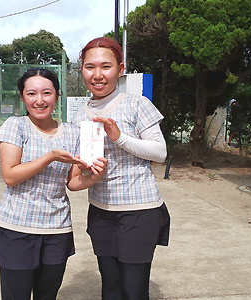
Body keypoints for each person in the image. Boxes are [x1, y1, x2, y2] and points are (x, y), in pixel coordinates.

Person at [0, 68, 107, 300]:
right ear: (23, 97)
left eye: (47, 93)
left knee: (47, 296)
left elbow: (72, 182)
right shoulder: (16, 126)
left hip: (57, 229)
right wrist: (50, 157)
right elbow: (11, 176)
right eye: (31, 94)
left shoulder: (72, 132)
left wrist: (94, 176)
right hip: (17, 229)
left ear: (57, 95)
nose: (40, 100)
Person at [71, 37, 170, 299]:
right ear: (81, 69)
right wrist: (82, 165)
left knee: (134, 290)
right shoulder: (79, 115)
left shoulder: (136, 104)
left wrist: (119, 138)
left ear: (121, 68)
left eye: (106, 66)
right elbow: (79, 172)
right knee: (111, 286)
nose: (98, 75)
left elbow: (160, 152)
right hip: (101, 211)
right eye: (90, 67)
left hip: (139, 211)